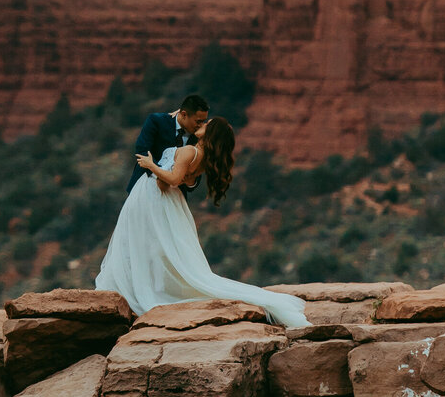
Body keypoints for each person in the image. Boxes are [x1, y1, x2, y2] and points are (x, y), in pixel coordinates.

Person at [96, 115, 308, 328]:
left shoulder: (190, 151)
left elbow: (173, 180)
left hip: (156, 200)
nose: (201, 124)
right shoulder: (203, 157)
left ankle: (138, 290)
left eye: (207, 124)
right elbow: (185, 180)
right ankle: (144, 287)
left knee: (140, 241)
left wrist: (151, 165)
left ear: (211, 133)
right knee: (160, 248)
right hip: (171, 204)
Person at [126, 94, 208, 197]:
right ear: (183, 114)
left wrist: (190, 181)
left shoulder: (198, 138)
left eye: (203, 121)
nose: (201, 125)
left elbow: (196, 174)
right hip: (144, 189)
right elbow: (142, 150)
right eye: (198, 121)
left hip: (175, 196)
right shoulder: (157, 121)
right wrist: (164, 176)